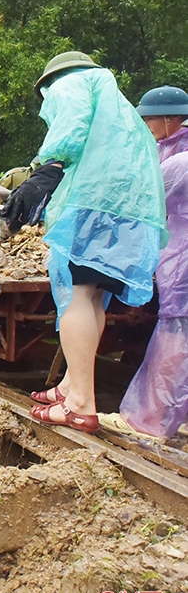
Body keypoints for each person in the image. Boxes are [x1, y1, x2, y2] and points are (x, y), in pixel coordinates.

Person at [5, 52, 165, 433]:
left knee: (78, 294)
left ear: (49, 83)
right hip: (129, 208)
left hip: (96, 203)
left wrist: (50, 166)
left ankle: (80, 405)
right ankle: (71, 385)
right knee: (92, 295)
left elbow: (71, 126)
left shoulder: (70, 83)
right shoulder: (115, 102)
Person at [117, 86, 188, 439]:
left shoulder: (179, 161)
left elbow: (140, 202)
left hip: (181, 262)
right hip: (173, 256)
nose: (145, 126)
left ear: (171, 119)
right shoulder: (169, 150)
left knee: (176, 334)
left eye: (148, 120)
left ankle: (151, 419)